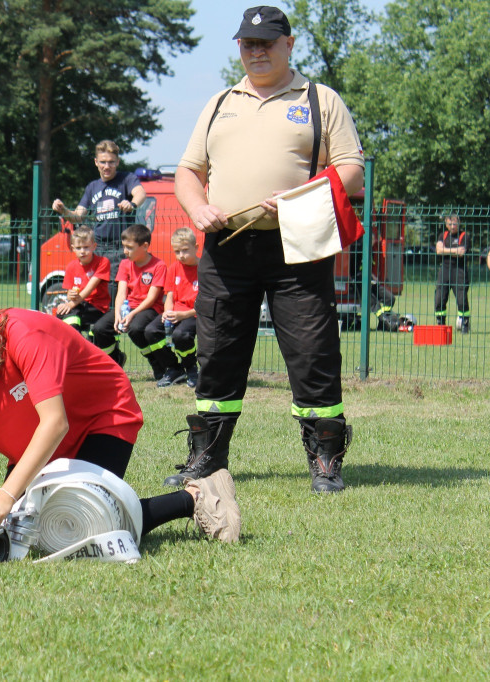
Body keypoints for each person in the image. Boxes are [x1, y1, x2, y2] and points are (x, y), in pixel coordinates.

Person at [0, 282, 240, 544]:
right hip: (43, 445)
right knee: (27, 532)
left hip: (103, 417)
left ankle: (197, 497)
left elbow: (55, 421)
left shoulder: (20, 331)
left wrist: (5, 495)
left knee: (85, 526)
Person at [171, 6, 365, 494]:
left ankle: (325, 460)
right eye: (247, 44)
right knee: (216, 353)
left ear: (289, 44)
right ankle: (207, 459)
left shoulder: (321, 99)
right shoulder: (219, 102)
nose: (256, 52)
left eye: (266, 43)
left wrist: (298, 198)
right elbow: (187, 172)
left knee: (312, 353)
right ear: (239, 48)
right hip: (226, 246)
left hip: (298, 244)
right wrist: (197, 209)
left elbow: (352, 170)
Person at [52, 140, 146, 302]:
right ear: (96, 162)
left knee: (114, 290)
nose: (106, 166)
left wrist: (132, 204)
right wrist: (64, 211)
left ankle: (114, 324)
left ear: (117, 162)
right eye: (103, 162)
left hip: (120, 248)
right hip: (98, 248)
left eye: (111, 162)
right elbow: (78, 216)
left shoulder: (127, 179)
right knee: (96, 292)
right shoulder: (92, 187)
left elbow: (141, 193)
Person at [91, 224, 166, 376]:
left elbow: (152, 298)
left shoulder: (159, 265)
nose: (125, 251)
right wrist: (118, 313)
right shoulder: (125, 264)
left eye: (129, 247)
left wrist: (131, 315)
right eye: (124, 246)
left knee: (136, 328)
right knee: (100, 328)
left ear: (145, 246)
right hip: (128, 307)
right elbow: (121, 292)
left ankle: (157, 363)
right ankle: (115, 360)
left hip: (149, 309)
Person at [146, 227, 200, 388]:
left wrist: (183, 315)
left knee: (181, 335)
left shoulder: (205, 268)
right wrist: (168, 311)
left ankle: (191, 369)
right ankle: (174, 368)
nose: (181, 255)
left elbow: (207, 304)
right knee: (151, 331)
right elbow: (169, 295)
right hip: (176, 312)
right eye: (177, 251)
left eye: (185, 250)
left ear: (196, 247)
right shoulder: (174, 268)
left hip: (195, 314)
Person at [54, 225, 111, 343]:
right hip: (80, 304)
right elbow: (69, 294)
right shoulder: (71, 266)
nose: (82, 251)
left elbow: (90, 288)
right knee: (61, 313)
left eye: (86, 247)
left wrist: (70, 304)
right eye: (79, 248)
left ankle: (80, 344)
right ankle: (78, 342)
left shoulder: (102, 262)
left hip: (97, 306)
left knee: (69, 311)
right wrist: (71, 297)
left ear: (94, 246)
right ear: (73, 248)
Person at [434, 212, 469, 333]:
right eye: (450, 223)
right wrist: (454, 250)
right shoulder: (442, 235)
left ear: (459, 223)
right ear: (446, 224)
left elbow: (462, 252)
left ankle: (464, 323)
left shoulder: (464, 235)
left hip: (459, 270)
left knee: (461, 299)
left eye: (455, 223)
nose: (453, 226)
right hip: (444, 269)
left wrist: (446, 250)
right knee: (439, 297)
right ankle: (440, 322)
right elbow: (438, 250)